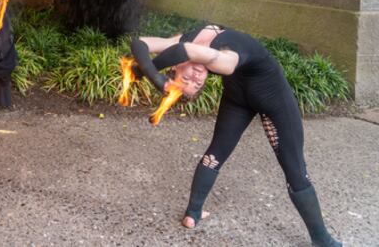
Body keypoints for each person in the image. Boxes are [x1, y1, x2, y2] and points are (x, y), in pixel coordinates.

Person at [130, 25, 341, 247]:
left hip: (271, 99)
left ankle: (321, 239)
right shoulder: (223, 61)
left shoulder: (189, 41)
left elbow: (140, 44)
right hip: (243, 99)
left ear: (175, 67)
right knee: (219, 153)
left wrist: (151, 74)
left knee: (292, 166)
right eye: (196, 84)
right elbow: (179, 51)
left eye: (187, 79)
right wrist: (149, 73)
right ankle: (193, 212)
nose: (195, 78)